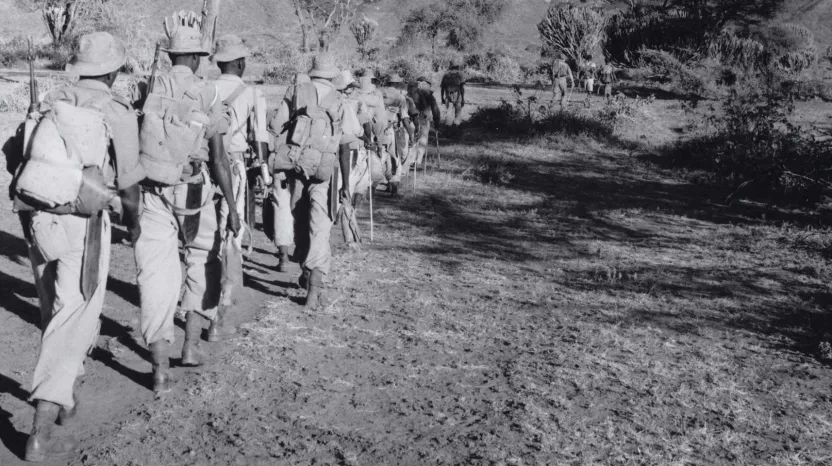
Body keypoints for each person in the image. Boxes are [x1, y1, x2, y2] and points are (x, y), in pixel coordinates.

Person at [17, 31, 144, 462]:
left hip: (37, 215)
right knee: (75, 312)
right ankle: (41, 426)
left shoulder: (53, 99)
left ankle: (67, 396)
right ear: (113, 71)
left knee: (56, 307)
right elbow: (128, 183)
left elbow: (16, 154)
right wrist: (134, 224)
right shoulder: (117, 111)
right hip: (83, 224)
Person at [134, 13, 239, 391]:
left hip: (151, 190)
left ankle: (159, 367)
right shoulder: (208, 93)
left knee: (156, 274)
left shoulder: (149, 86)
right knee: (201, 260)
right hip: (194, 190)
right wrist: (233, 206)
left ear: (170, 56)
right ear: (196, 57)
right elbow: (219, 157)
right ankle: (191, 346)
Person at [267, 53, 361, 308]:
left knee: (299, 217)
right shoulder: (340, 99)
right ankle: (315, 286)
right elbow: (345, 144)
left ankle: (305, 269)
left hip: (296, 167)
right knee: (320, 225)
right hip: (326, 172)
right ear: (333, 76)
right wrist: (344, 183)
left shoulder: (297, 91)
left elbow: (275, 126)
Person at [209, 34, 270, 337]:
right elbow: (259, 135)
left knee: (208, 228)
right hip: (233, 166)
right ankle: (223, 298)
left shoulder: (205, 88)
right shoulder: (251, 93)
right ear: (241, 63)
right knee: (232, 228)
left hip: (204, 167)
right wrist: (266, 171)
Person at [381, 73, 415, 195]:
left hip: (377, 129)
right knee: (394, 157)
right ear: (397, 84)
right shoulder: (400, 97)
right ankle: (394, 187)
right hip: (391, 129)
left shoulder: (380, 93)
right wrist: (411, 134)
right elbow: (405, 117)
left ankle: (380, 185)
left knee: (381, 157)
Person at [405, 77, 441, 173]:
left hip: (410, 118)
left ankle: (410, 161)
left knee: (412, 137)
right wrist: (437, 122)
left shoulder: (409, 94)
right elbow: (435, 108)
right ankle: (418, 161)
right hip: (423, 118)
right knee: (422, 140)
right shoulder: (428, 94)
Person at [440, 62, 466, 130]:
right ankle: (456, 124)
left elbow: (442, 88)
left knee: (449, 110)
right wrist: (463, 98)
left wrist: (442, 97)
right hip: (457, 94)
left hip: (448, 94)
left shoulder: (446, 75)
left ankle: (448, 126)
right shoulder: (460, 75)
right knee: (458, 111)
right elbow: (462, 88)